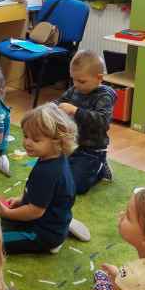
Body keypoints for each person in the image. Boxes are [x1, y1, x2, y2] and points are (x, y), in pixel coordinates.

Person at [0, 103, 76, 254]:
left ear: (57, 142)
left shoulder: (47, 172)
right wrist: (21, 200)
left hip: (43, 233)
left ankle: (54, 241)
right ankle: (62, 226)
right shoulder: (53, 156)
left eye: (36, 140)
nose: (27, 142)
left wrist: (9, 214)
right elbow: (43, 194)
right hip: (49, 217)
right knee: (4, 221)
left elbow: (34, 211)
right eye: (26, 136)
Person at [55, 50, 117, 193]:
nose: (76, 85)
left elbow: (102, 122)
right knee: (55, 174)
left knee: (76, 186)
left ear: (99, 78)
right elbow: (59, 102)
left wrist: (76, 111)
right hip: (72, 144)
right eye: (73, 80)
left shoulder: (104, 96)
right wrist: (49, 109)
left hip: (92, 150)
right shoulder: (75, 89)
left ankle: (100, 168)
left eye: (81, 81)